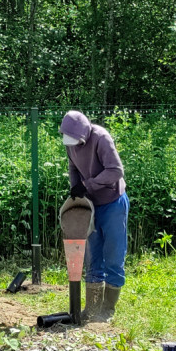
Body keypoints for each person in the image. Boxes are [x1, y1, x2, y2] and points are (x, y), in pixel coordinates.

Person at [59, 111, 129, 322]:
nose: (71, 144)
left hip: (113, 202)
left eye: (75, 141)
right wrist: (75, 188)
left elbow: (116, 170)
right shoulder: (70, 141)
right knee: (91, 255)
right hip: (90, 205)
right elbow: (73, 167)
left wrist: (87, 185)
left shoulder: (101, 138)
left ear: (83, 133)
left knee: (114, 255)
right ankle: (91, 309)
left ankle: (107, 310)